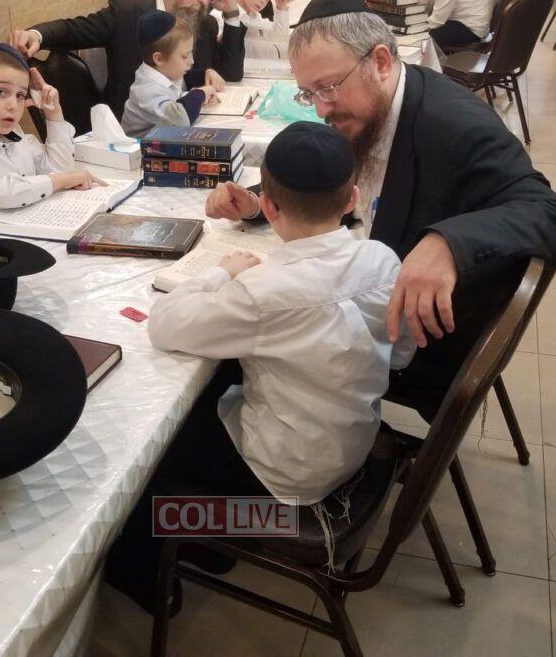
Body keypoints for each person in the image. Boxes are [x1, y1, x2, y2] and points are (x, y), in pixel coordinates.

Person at [204, 0, 556, 415]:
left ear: (381, 62)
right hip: (373, 294)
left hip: (417, 349)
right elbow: (336, 181)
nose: (322, 110)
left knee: (227, 353)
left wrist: (448, 244)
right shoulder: (369, 106)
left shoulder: (454, 125)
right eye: (308, 94)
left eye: (328, 88)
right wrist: (259, 204)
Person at [106, 121, 415, 614]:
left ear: (267, 207)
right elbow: (401, 355)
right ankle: (210, 547)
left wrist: (220, 271)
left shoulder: (263, 291)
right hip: (354, 438)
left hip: (288, 478)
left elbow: (164, 325)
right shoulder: (383, 260)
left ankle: (153, 569)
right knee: (219, 385)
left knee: (149, 442)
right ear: (352, 198)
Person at [8, 0, 244, 119]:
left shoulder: (202, 22)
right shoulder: (127, 12)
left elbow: (231, 75)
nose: (204, 0)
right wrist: (36, 35)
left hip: (186, 124)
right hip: (130, 133)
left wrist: (232, 11)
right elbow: (74, 29)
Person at [0, 43, 101, 227]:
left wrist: (54, 114)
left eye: (20, 95)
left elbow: (60, 169)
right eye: (1, 92)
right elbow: (1, 193)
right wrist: (63, 180)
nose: (13, 105)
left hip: (21, 222)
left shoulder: (13, 131)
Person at [121, 12, 218, 137]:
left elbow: (183, 80)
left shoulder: (161, 70)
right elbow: (181, 118)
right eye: (185, 56)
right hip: (138, 147)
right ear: (159, 59)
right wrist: (201, 93)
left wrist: (205, 74)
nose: (192, 61)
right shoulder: (145, 91)